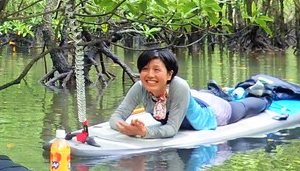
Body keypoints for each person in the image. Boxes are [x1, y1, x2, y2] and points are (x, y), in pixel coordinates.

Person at [108, 48, 268, 139]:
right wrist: (125, 127)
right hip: (192, 98)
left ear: (169, 74)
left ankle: (267, 97)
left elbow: (171, 129)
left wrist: (144, 132)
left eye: (157, 70)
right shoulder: (139, 87)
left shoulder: (179, 86)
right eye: (145, 69)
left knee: (242, 108)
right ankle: (226, 91)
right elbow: (116, 117)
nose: (150, 75)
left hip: (212, 113)